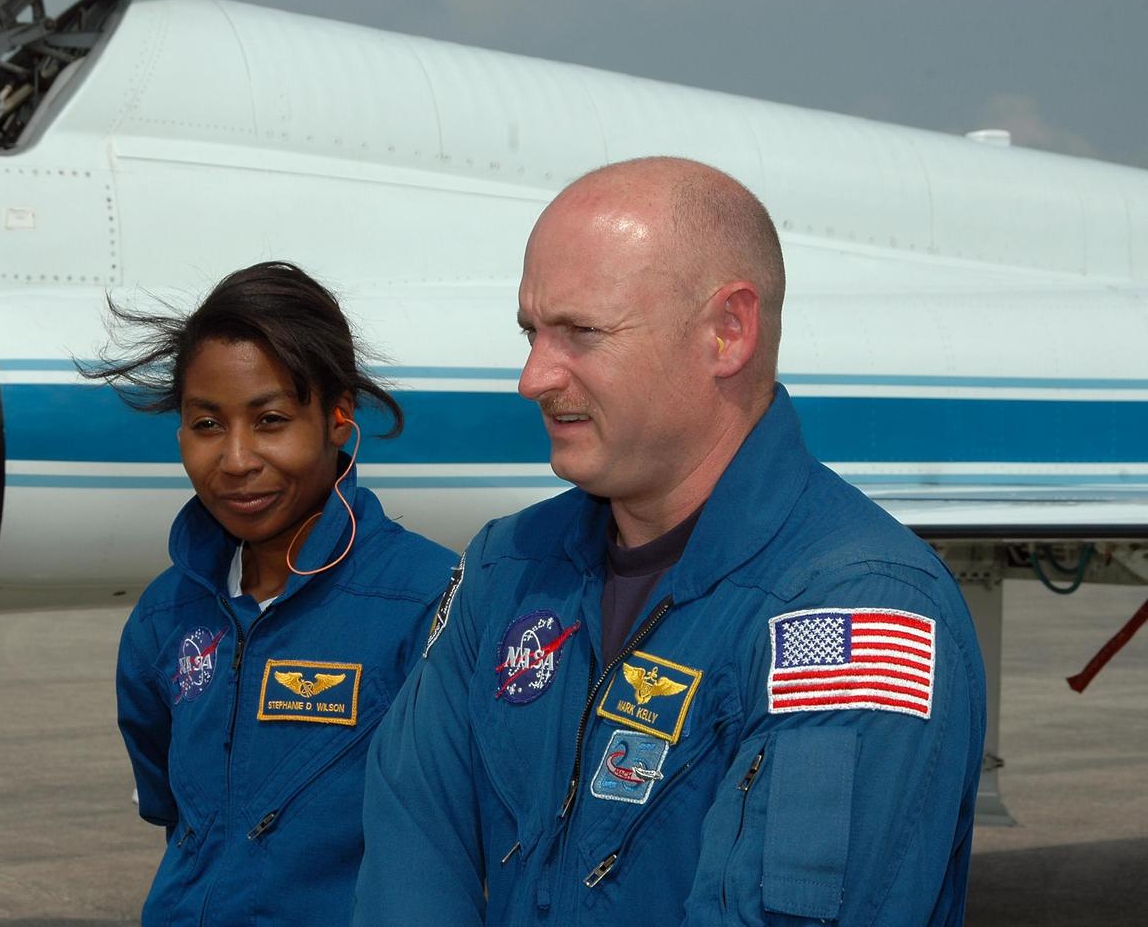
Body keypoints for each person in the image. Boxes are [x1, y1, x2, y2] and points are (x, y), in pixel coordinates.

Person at [353, 158, 986, 925]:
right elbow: (411, 852)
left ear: (728, 332)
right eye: (532, 331)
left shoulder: (857, 611)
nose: (532, 377)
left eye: (581, 333)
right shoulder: (505, 569)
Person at [89, 261, 457, 926]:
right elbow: (177, 813)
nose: (234, 460)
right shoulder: (166, 616)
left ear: (339, 416)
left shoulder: (430, 605)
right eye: (207, 425)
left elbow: (465, 841)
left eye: (270, 420)